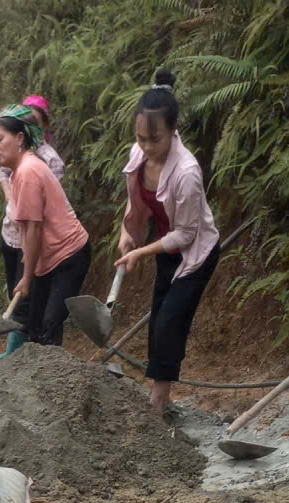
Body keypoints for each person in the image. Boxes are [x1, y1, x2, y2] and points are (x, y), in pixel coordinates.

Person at [112, 70, 220, 418]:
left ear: (173, 131)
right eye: (140, 137)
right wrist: (128, 232)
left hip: (195, 254)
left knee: (170, 322)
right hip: (166, 251)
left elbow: (186, 234)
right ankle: (165, 398)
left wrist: (143, 251)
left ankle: (157, 403)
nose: (145, 146)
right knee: (158, 317)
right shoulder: (139, 155)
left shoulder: (187, 172)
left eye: (153, 139)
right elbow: (137, 203)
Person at [0, 104, 90, 352]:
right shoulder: (20, 171)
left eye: (0, 139)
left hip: (69, 256)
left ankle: (54, 386)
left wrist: (26, 277)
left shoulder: (27, 171)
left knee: (49, 325)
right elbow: (27, 232)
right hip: (48, 261)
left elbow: (34, 230)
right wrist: (29, 273)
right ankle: (32, 381)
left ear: (20, 138)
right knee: (34, 326)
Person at [0, 94, 66, 362]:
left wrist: (22, 209)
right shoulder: (14, 155)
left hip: (33, 240)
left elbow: (45, 206)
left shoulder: (44, 160)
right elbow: (3, 176)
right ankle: (15, 354)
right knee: (17, 291)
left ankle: (19, 357)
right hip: (10, 235)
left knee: (28, 298)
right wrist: (13, 201)